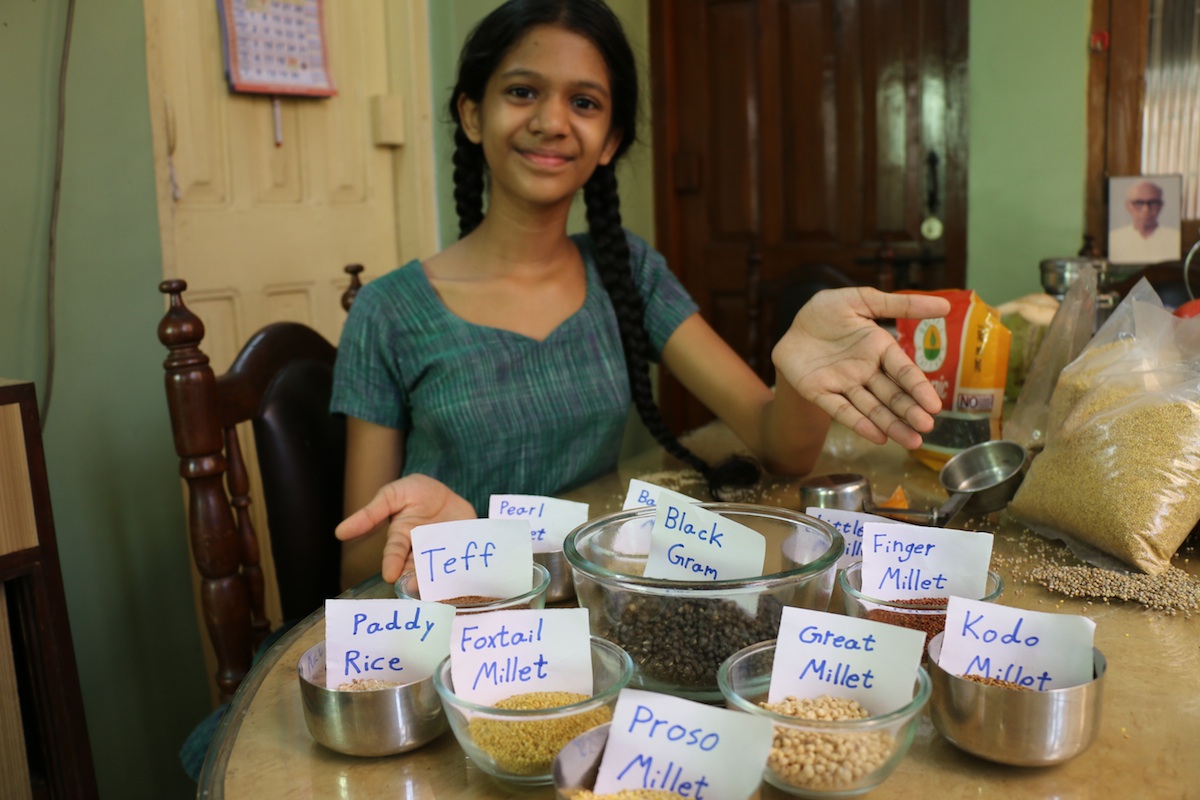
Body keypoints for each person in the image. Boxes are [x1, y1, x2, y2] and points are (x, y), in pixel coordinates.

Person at [331, 0, 952, 588]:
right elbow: (356, 564)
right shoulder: (388, 310)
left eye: (583, 102)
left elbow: (781, 449)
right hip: (466, 611)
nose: (551, 122)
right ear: (472, 114)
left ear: (609, 141)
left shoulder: (626, 270)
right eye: (522, 92)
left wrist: (798, 378)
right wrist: (441, 537)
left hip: (594, 600)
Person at [1109, 179, 1181, 264]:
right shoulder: (1114, 239)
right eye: (1138, 203)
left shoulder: (1176, 238)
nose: (1146, 210)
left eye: (1153, 203)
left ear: (1161, 206)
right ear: (1128, 207)